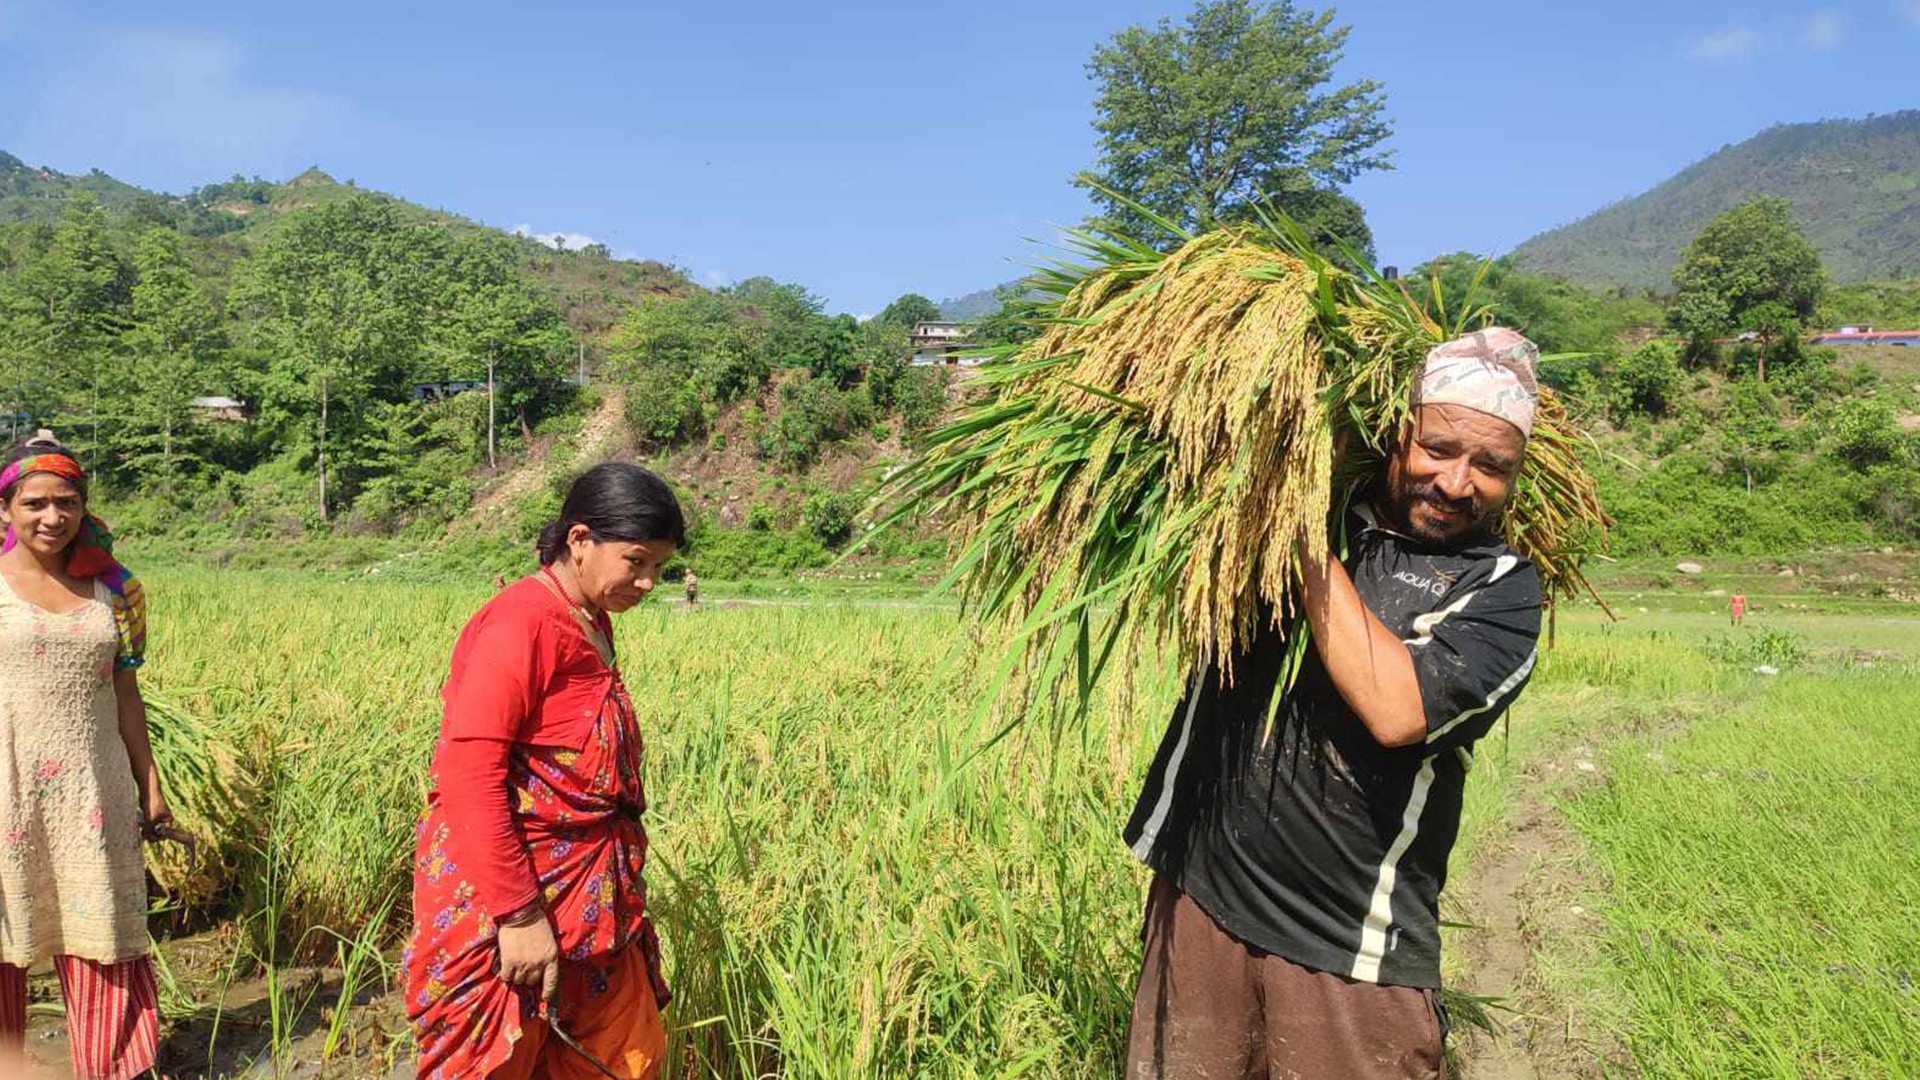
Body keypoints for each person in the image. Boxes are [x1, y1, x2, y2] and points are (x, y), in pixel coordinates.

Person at [1123, 329, 1548, 1079]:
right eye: (1439, 449)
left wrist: (1299, 535)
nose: (1457, 483)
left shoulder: (1502, 592)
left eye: (1491, 466)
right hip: (1197, 893)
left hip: (1346, 945)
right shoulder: (1304, 516)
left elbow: (1397, 709)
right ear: (1395, 434)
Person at [405, 463, 684, 1080]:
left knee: (620, 1055)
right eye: (635, 561)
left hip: (591, 894)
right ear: (579, 540)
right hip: (515, 895)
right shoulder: (522, 622)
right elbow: (468, 773)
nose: (646, 582)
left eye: (658, 568)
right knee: (499, 1063)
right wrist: (519, 916)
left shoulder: (590, 616)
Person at [0, 436, 173, 1080]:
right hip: (4, 786)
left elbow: (126, 693)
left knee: (100, 931)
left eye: (66, 502)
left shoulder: (117, 588)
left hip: (90, 787)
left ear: (83, 508)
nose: (52, 517)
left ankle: (112, 1069)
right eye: (35, 502)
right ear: (6, 511)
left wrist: (149, 785)